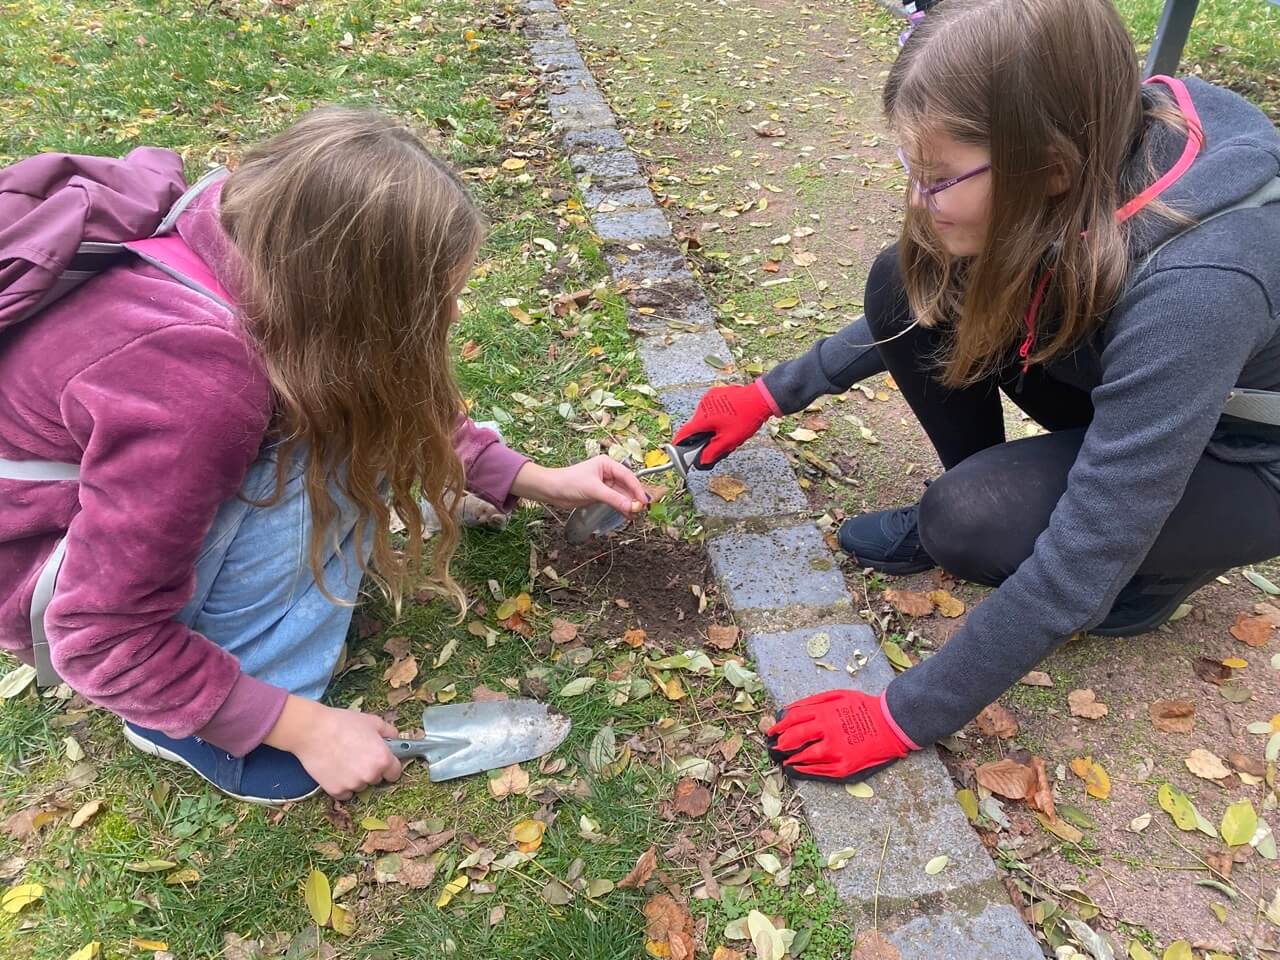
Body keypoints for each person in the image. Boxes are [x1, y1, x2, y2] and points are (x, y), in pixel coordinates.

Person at [674, 0, 1280, 782]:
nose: (917, 199)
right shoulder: (1091, 140)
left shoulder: (1200, 283)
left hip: (1244, 458)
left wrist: (904, 714)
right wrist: (770, 393)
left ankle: (1150, 579)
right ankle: (990, 494)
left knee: (968, 520)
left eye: (938, 179)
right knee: (904, 280)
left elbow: (1088, 548)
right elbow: (932, 301)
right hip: (1147, 383)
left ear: (1050, 169)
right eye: (912, 171)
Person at [0, 109, 648, 804]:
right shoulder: (199, 385)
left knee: (343, 407)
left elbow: (374, 381)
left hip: (113, 515)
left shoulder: (251, 243)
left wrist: (530, 478)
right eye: (439, 300)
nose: (453, 316)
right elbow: (100, 635)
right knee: (325, 451)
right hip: (62, 580)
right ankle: (183, 721)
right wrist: (297, 725)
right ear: (347, 297)